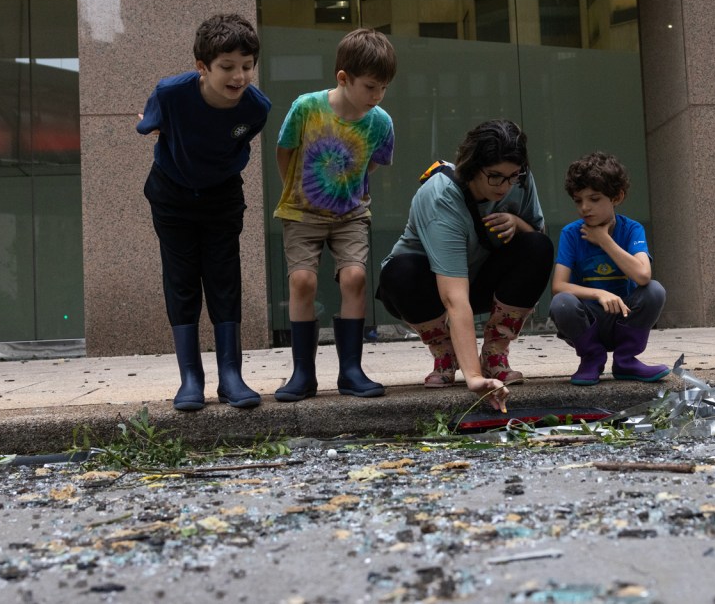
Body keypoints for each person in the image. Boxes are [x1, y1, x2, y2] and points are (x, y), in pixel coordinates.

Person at [137, 13, 271, 411]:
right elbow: (149, 125)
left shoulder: (255, 108)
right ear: (202, 67)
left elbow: (237, 147)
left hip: (221, 197)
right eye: (227, 67)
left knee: (223, 277)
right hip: (171, 195)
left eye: (247, 67)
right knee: (181, 280)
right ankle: (190, 379)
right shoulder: (171, 93)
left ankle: (231, 377)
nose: (239, 76)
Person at [375, 119, 554, 412]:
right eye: (495, 177)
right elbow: (453, 297)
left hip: (482, 278)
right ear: (473, 166)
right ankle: (445, 353)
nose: (505, 186)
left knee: (538, 247)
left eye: (512, 177)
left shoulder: (519, 178)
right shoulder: (441, 196)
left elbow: (538, 239)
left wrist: (517, 223)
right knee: (400, 272)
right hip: (427, 286)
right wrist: (473, 378)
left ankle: (495, 354)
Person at [272, 28, 397, 402]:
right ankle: (302, 374)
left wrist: (344, 187)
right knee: (303, 283)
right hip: (301, 211)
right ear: (344, 78)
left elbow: (373, 164)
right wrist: (302, 189)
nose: (377, 96)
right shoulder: (307, 107)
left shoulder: (380, 122)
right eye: (370, 87)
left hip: (350, 214)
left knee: (355, 276)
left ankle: (351, 370)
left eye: (384, 88)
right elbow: (285, 151)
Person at [549, 152, 669, 386]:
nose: (585, 207)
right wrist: (599, 293)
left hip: (625, 318)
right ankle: (591, 358)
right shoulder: (571, 234)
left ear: (617, 197)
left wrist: (605, 241)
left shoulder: (632, 229)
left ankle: (625, 361)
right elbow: (558, 286)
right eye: (578, 200)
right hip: (589, 321)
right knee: (562, 302)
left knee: (655, 290)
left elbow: (643, 275)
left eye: (594, 199)